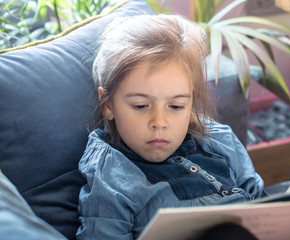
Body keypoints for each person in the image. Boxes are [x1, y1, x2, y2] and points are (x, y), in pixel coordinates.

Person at [76, 14, 264, 240]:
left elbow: (259, 200)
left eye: (176, 106)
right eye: (141, 105)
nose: (159, 122)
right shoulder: (110, 178)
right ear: (108, 105)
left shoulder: (219, 138)